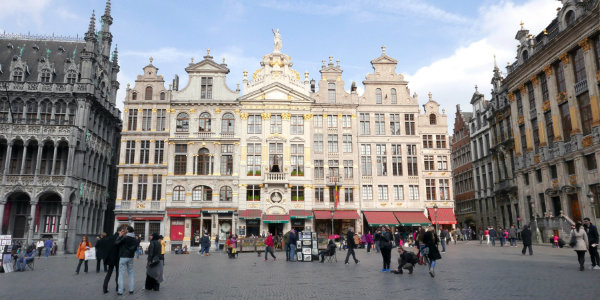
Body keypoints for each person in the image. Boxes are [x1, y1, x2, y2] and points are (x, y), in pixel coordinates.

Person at [116, 225, 139, 295]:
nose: (125, 230)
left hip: (123, 256)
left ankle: (120, 291)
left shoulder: (125, 237)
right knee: (131, 273)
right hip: (131, 257)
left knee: (121, 274)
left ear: (128, 230)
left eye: (126, 229)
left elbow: (116, 243)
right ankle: (131, 289)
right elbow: (135, 248)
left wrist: (119, 236)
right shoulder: (135, 239)